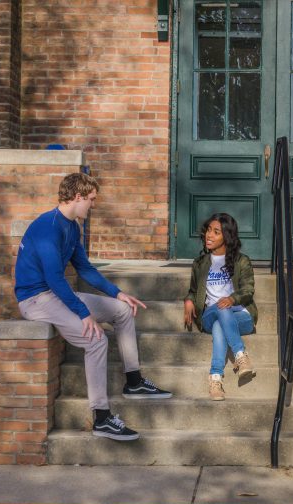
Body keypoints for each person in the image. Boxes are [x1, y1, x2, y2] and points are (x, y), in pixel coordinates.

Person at [14, 172, 171, 442]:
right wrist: (84, 313)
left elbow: (84, 269)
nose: (93, 205)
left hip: (55, 294)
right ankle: (101, 417)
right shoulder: (47, 227)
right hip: (35, 299)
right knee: (96, 339)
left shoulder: (73, 227)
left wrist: (117, 293)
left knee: (122, 310)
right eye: (91, 199)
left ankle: (134, 382)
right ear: (78, 197)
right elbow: (54, 278)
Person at [183, 213, 258, 401]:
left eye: (216, 232)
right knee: (220, 309)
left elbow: (248, 290)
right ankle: (240, 355)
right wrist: (188, 300)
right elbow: (193, 290)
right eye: (208, 230)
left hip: (241, 316)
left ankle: (215, 378)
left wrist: (233, 299)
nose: (209, 235)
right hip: (210, 314)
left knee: (220, 322)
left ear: (227, 236)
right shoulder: (200, 263)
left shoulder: (241, 261)